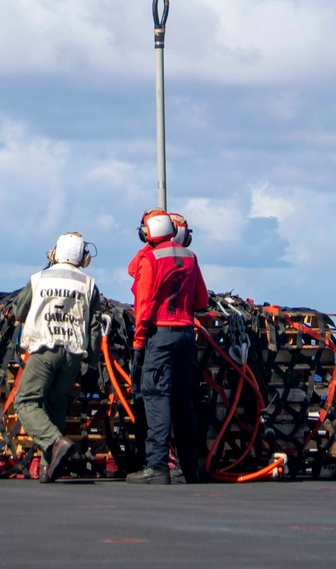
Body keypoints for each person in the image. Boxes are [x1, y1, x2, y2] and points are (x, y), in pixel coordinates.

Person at [125, 208, 209, 485]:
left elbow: (145, 305)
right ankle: (189, 468)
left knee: (155, 397)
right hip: (186, 335)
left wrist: (139, 341)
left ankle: (157, 466)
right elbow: (201, 301)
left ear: (147, 233)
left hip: (160, 336)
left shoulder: (150, 257)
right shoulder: (190, 257)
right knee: (183, 401)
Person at [11, 232, 102, 482]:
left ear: (54, 254)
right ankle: (49, 468)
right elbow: (94, 327)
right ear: (83, 258)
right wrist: (91, 364)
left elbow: (19, 310)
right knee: (56, 406)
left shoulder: (39, 278)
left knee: (26, 401)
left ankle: (54, 442)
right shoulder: (89, 284)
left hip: (43, 349)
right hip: (72, 354)